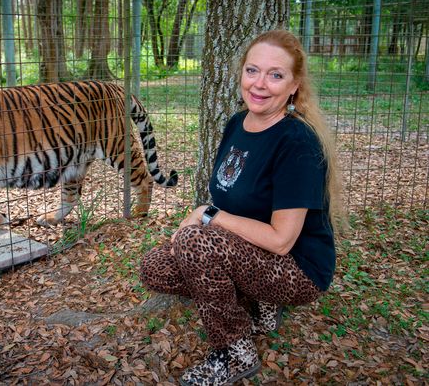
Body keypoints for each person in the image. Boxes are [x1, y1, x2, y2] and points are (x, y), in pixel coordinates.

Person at [139, 29, 345, 385]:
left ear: (294, 85)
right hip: (248, 251)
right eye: (252, 71)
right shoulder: (237, 123)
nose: (260, 84)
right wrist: (207, 223)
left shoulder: (297, 142)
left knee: (195, 242)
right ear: (241, 74)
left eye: (275, 75)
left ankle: (236, 352)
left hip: (297, 267)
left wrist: (207, 216)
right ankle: (259, 303)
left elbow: (282, 240)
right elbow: (232, 198)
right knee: (156, 268)